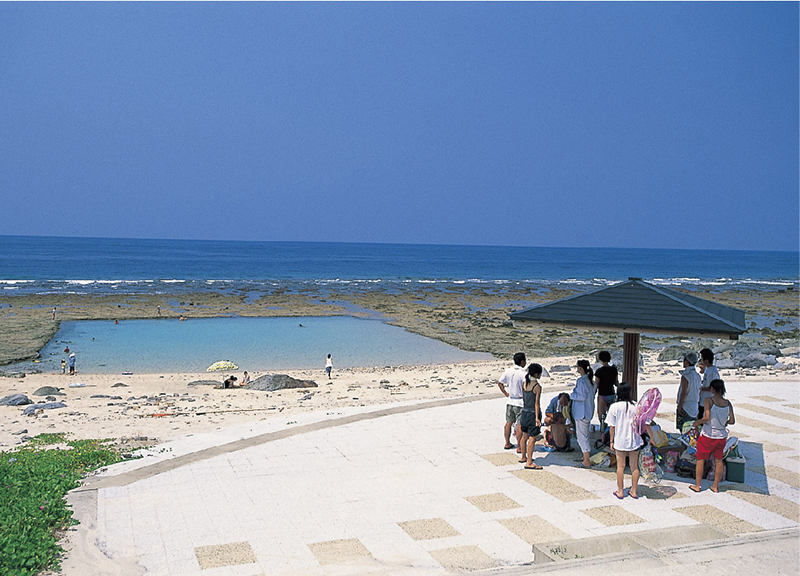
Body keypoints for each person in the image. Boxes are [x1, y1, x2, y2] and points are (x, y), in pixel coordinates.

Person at [607, 383, 653, 499]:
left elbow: (612, 426)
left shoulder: (614, 407)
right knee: (634, 467)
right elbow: (644, 423)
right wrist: (652, 437)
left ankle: (620, 491)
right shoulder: (636, 406)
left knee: (620, 467)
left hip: (620, 440)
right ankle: (634, 490)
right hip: (635, 440)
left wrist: (611, 441)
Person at [691, 379, 735, 493]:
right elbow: (732, 421)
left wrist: (697, 422)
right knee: (718, 460)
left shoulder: (708, 400)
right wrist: (724, 422)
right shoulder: (728, 403)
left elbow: (706, 417)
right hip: (721, 436)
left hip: (708, 435)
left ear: (712, 389)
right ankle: (715, 486)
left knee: (700, 459)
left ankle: (697, 485)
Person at [497, 352, 526, 451]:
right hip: (520, 402)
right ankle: (519, 446)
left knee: (508, 422)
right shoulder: (524, 373)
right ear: (522, 361)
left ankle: (507, 442)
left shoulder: (508, 371)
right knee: (519, 425)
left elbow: (500, 383)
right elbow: (526, 387)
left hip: (510, 400)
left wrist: (506, 393)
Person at [571, 359, 596, 468]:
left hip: (581, 412)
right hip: (588, 410)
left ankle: (586, 460)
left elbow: (581, 396)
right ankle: (585, 455)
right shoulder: (591, 381)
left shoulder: (581, 381)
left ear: (580, 368)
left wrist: (572, 395)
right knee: (584, 434)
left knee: (582, 436)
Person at [519, 363, 543, 469]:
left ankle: (523, 456)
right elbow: (536, 403)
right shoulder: (537, 386)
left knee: (524, 437)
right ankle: (529, 462)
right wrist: (537, 418)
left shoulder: (525, 383)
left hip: (524, 412)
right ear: (537, 374)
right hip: (533, 414)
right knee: (533, 438)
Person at [594, 351, 618, 432]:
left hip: (602, 395)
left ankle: (603, 432)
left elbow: (596, 385)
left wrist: (593, 394)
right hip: (612, 393)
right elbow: (616, 382)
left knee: (602, 416)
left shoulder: (599, 371)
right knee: (613, 416)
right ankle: (612, 431)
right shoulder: (614, 370)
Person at [676, 352, 701, 431]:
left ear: (686, 362)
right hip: (694, 406)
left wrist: (679, 406)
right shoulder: (697, 376)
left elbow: (683, 393)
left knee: (684, 430)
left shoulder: (686, 376)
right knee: (692, 431)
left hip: (686, 406)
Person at [697, 348, 720, 418]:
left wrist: (702, 388)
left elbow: (714, 387)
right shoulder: (707, 369)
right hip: (703, 399)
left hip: (709, 400)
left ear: (706, 360)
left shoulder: (713, 371)